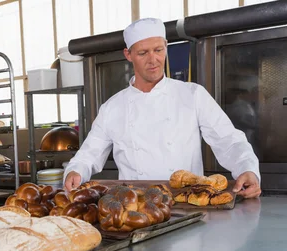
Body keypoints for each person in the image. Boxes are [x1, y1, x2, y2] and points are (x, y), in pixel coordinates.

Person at [64, 18, 261, 199]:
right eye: (143, 53)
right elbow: (89, 153)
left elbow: (228, 140)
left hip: (186, 203)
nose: (153, 60)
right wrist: (76, 171)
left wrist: (247, 168)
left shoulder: (192, 95)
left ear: (166, 48)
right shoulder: (112, 107)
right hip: (136, 207)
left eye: (158, 50)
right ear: (128, 55)